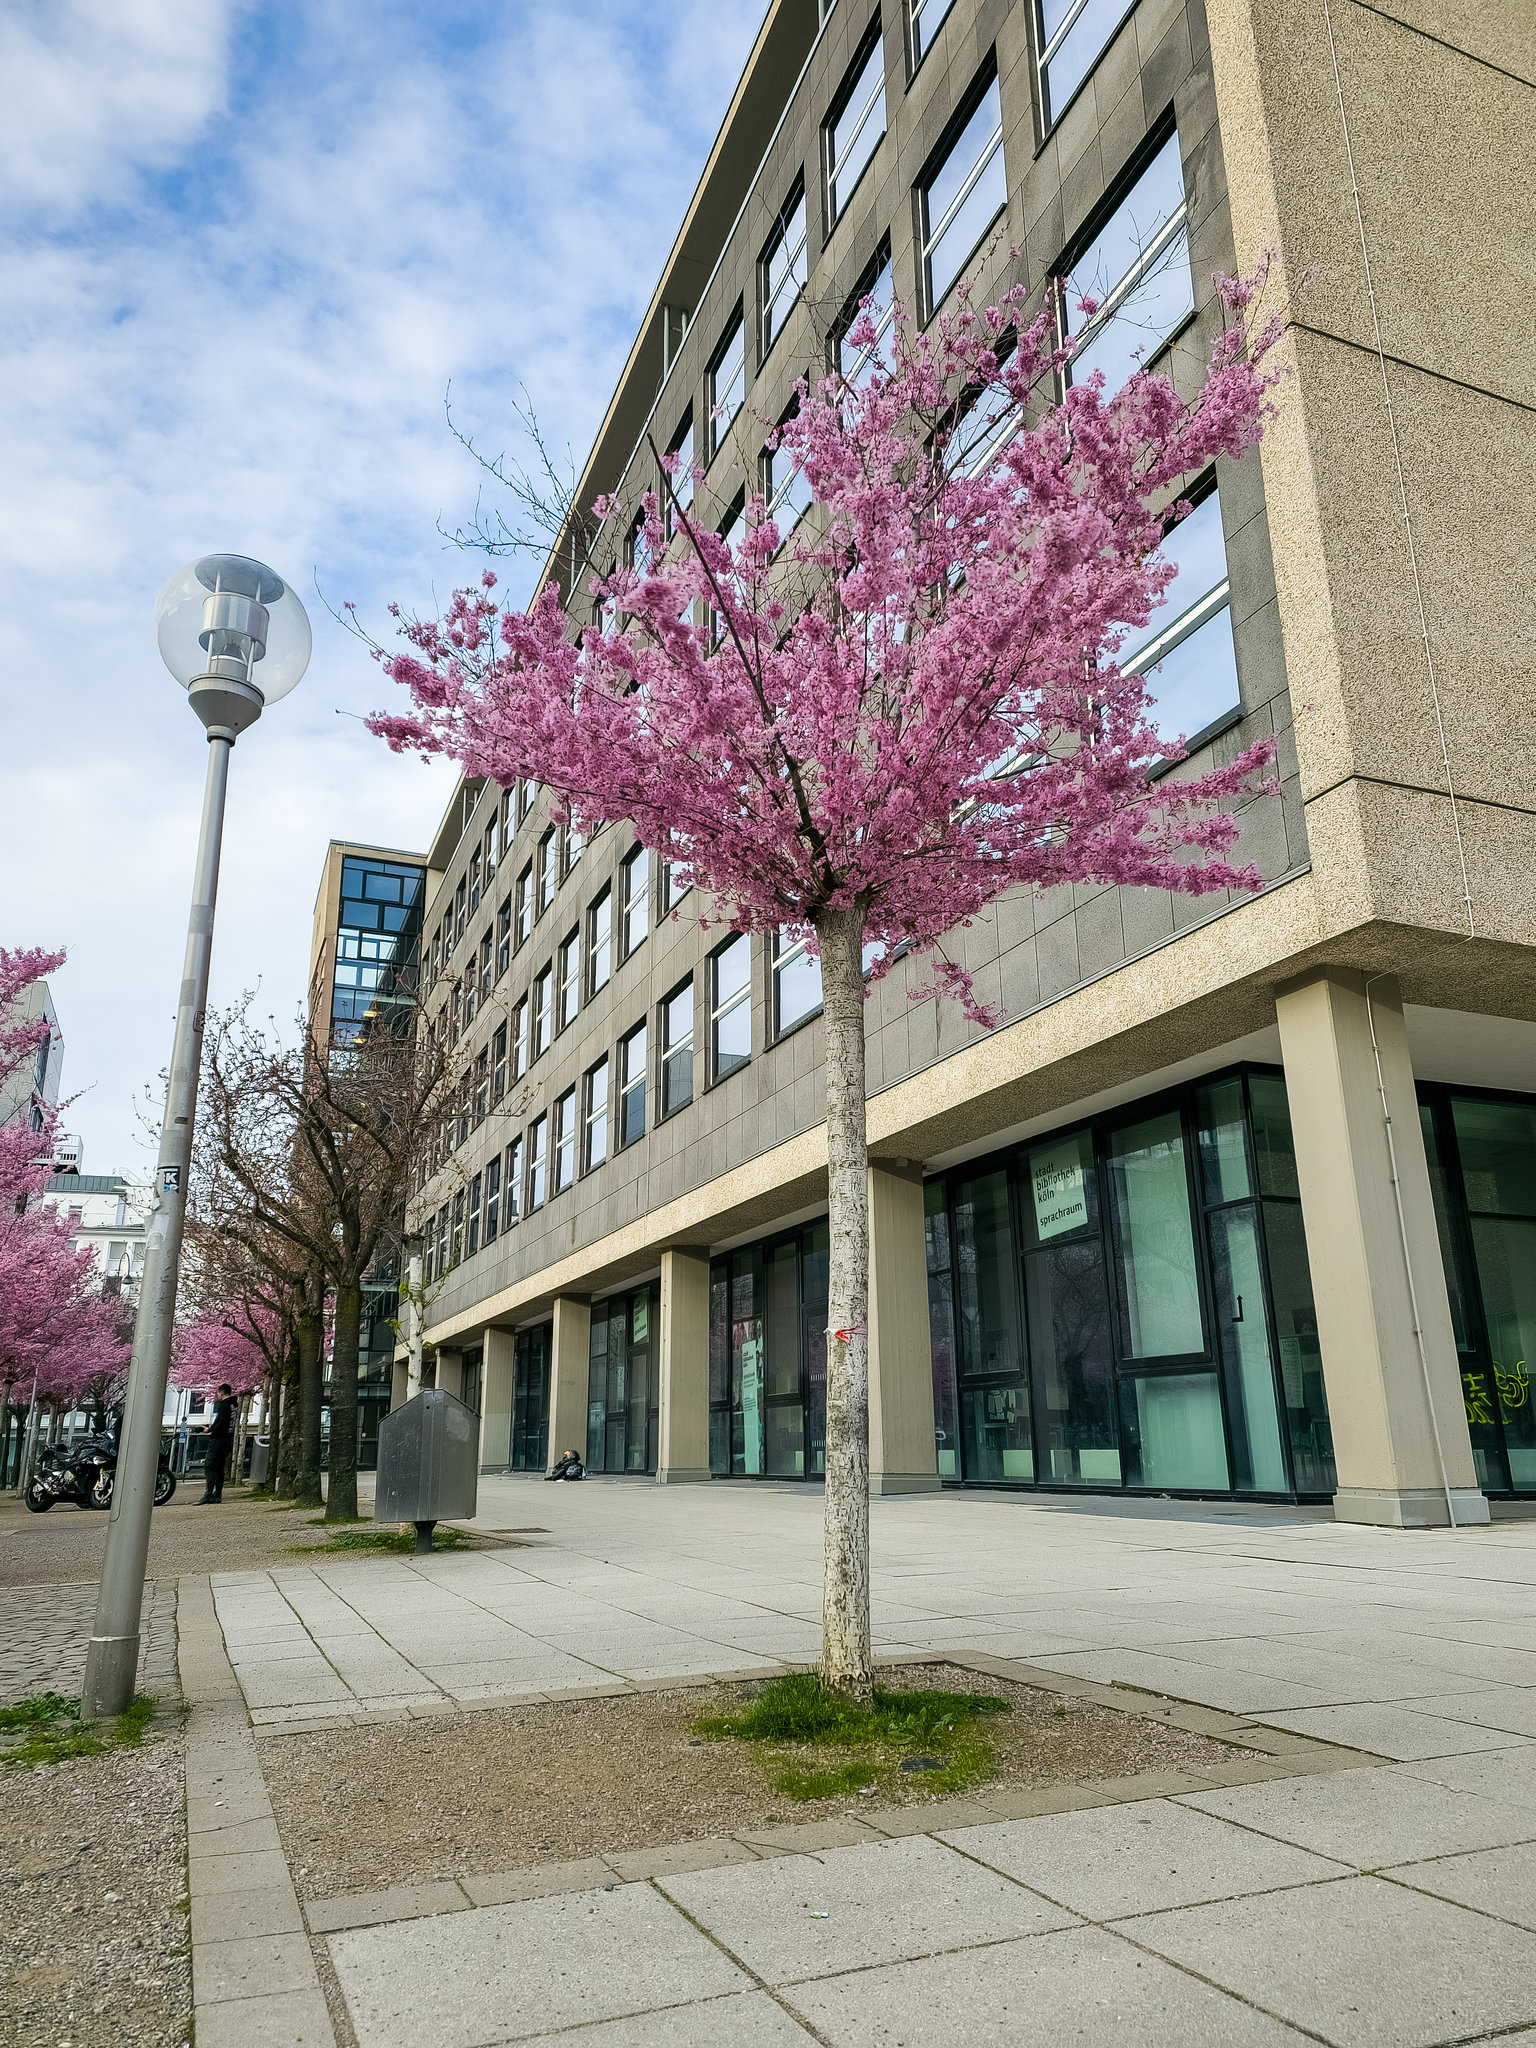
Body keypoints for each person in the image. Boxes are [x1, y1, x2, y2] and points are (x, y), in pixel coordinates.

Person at [198, 1383, 235, 1504]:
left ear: (222, 1392)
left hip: (218, 1440)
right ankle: (217, 1494)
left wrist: (209, 1429)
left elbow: (221, 1423)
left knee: (210, 1465)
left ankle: (208, 1493)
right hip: (227, 1440)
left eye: (217, 1393)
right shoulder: (234, 1405)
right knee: (219, 1468)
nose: (216, 1396)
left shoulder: (224, 1406)